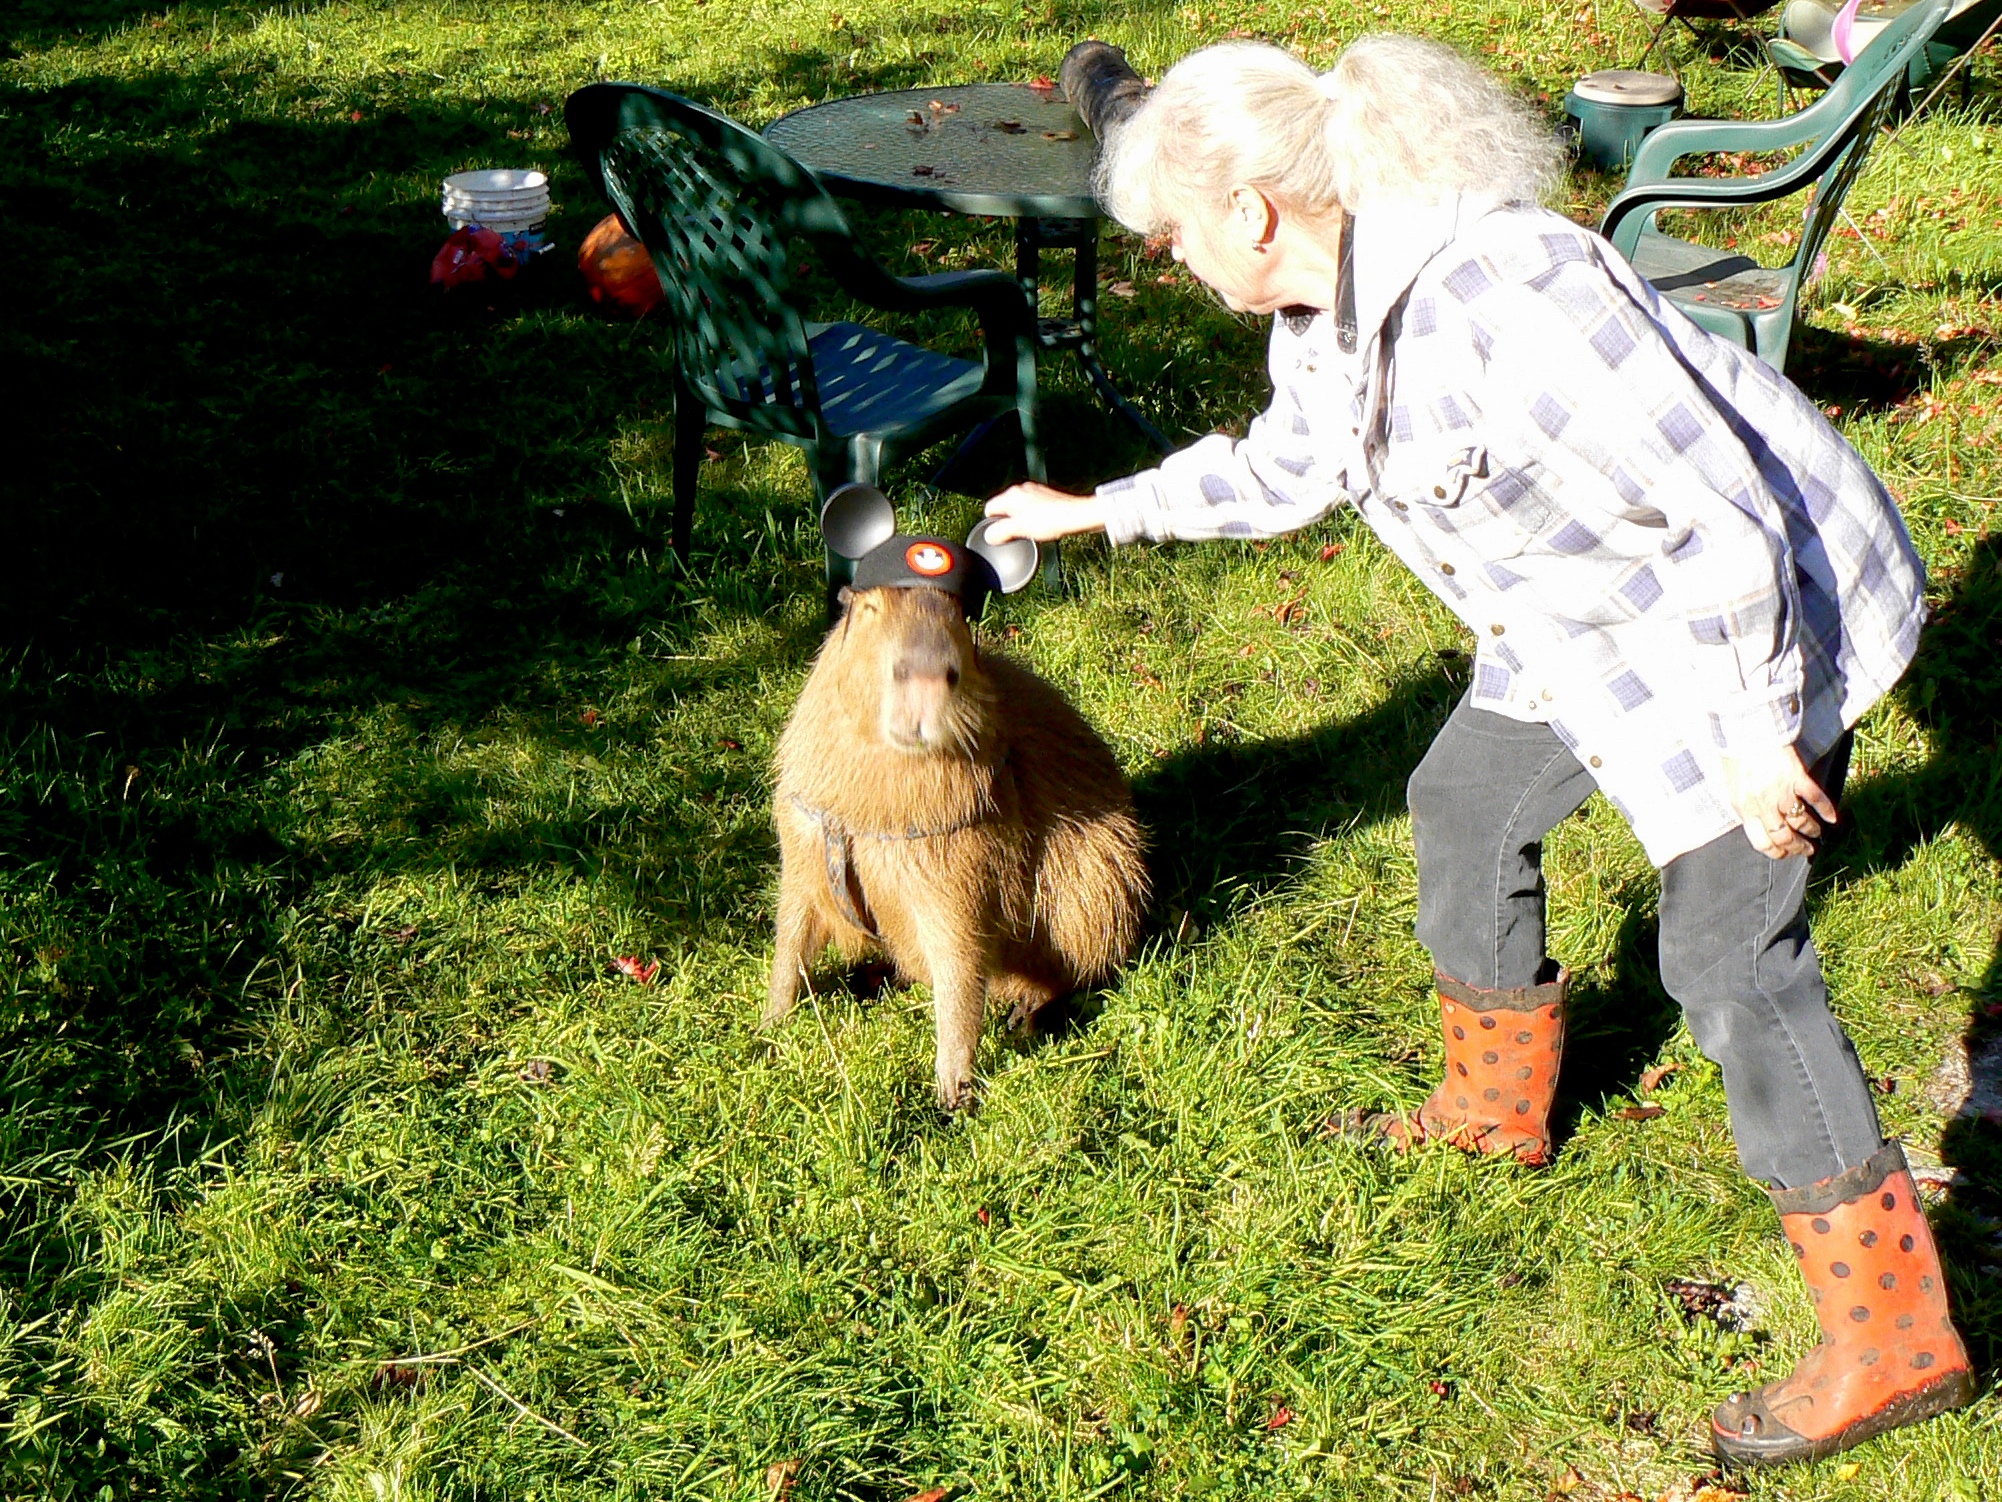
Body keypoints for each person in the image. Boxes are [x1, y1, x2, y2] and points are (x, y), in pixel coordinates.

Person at [983, 34, 1969, 1469]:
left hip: (1745, 625)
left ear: (1251, 209)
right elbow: (1287, 468)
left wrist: (1759, 737)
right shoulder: (1323, 316)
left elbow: (1721, 528)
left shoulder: (1514, 298)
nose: (1167, 257)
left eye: (1173, 232)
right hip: (1583, 614)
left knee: (1727, 958)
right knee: (1463, 795)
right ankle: (1491, 1109)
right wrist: (1096, 510)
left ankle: (1895, 1338)